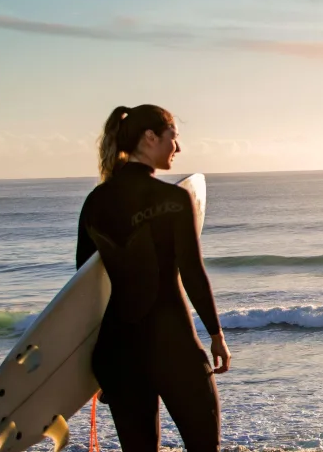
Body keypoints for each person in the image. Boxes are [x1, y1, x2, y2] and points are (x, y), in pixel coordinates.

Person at [77, 104, 230, 451]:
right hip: (172, 345)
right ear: (150, 137)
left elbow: (84, 286)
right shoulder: (173, 199)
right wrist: (216, 335)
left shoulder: (94, 202)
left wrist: (89, 364)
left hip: (117, 352)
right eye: (173, 137)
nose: (178, 147)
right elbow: (192, 272)